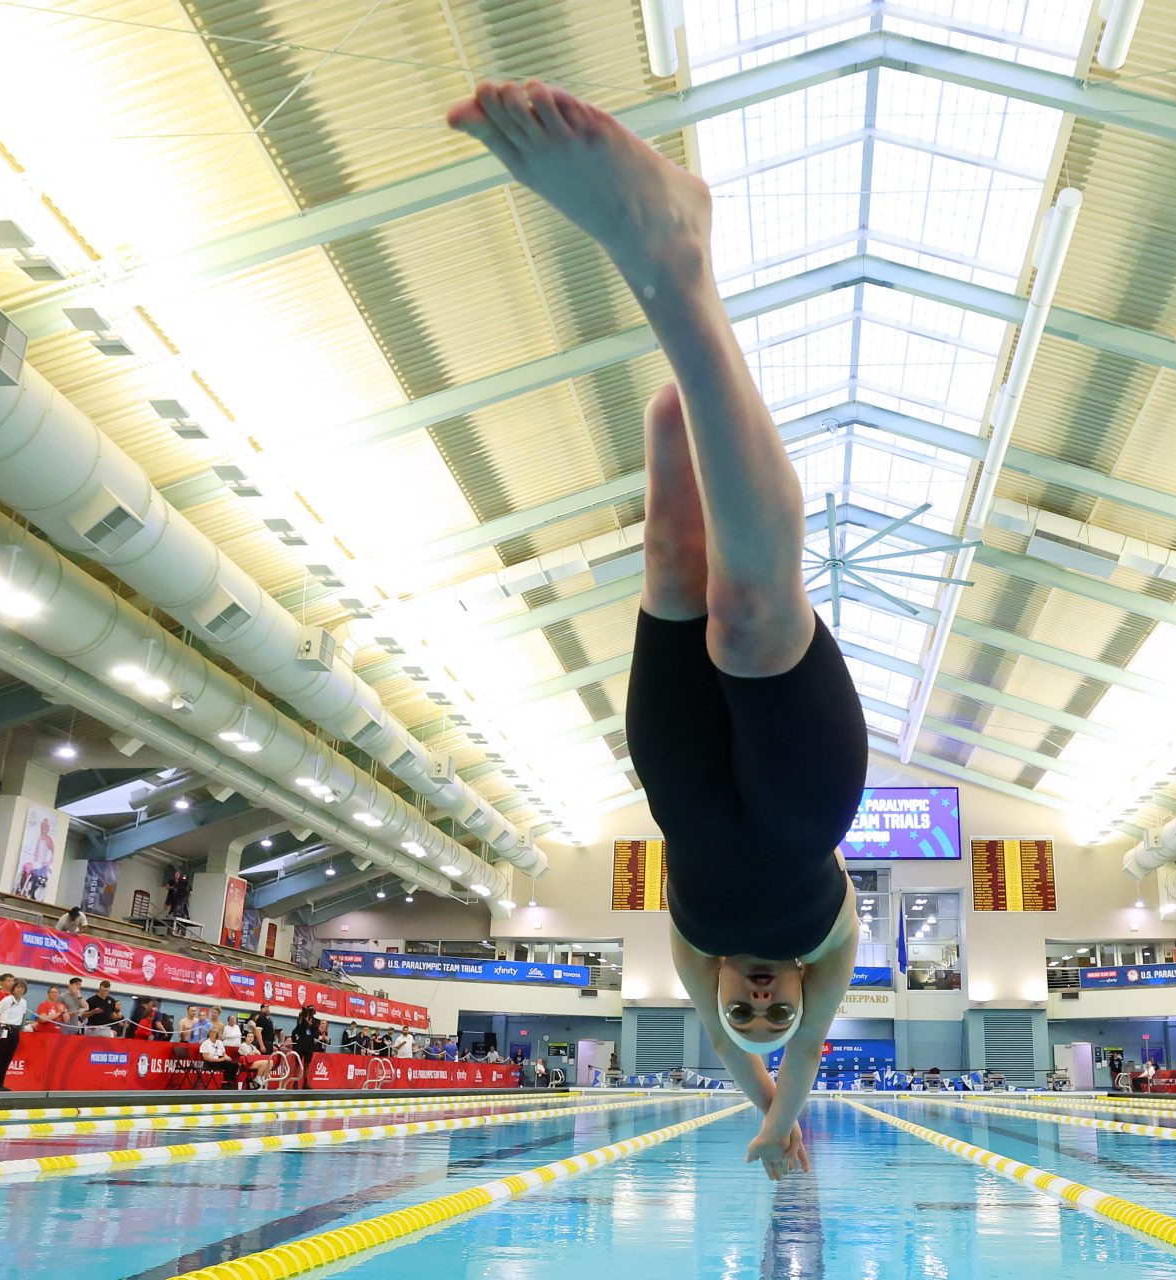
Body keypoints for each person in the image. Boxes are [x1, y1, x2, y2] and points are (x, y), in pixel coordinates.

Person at [447, 78, 869, 1181]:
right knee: (749, 616)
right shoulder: (828, 964)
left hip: (676, 783)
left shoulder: (690, 962)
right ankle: (677, 269)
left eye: (752, 1010)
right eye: (776, 1009)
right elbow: (798, 1057)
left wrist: (751, 1088)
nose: (767, 999)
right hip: (804, 795)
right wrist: (781, 1116)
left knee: (676, 567)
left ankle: (686, 354)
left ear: (723, 1001)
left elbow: (735, 1053)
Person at [0, 976, 27, 1091]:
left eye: (22, 987)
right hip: (3, 1028)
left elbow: (22, 1017)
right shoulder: (7, 1000)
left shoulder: (23, 1002)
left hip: (15, 1030)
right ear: (13, 989)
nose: (20, 989)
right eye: (17, 987)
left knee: (7, 1059)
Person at [199, 1016, 240, 1087]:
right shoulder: (205, 1043)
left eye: (215, 1032)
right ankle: (226, 1084)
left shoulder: (220, 1042)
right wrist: (218, 1060)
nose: (213, 1033)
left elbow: (224, 1053)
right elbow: (206, 1058)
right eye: (211, 1032)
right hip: (210, 1062)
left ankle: (231, 1081)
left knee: (235, 1064)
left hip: (221, 1059)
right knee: (228, 1065)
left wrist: (226, 1057)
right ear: (208, 1033)